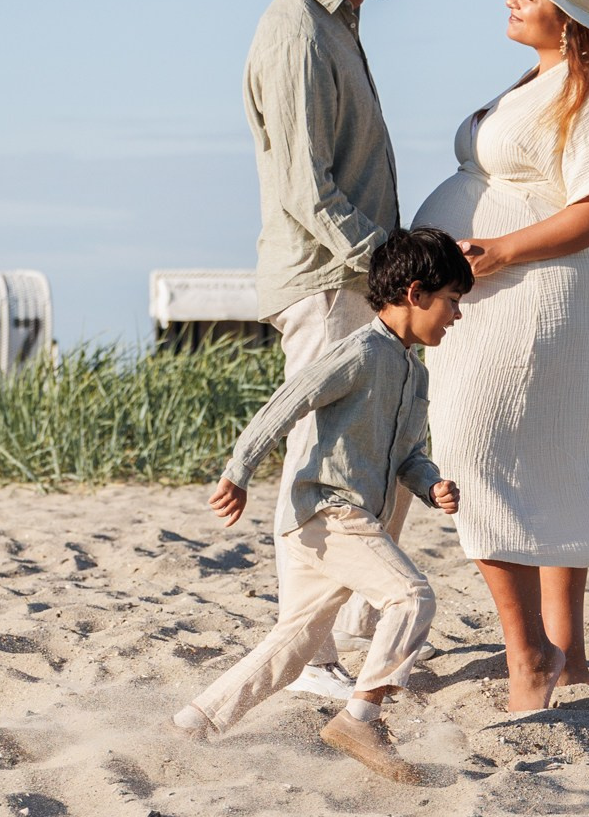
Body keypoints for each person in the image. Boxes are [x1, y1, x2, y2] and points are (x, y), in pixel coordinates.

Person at [413, 0, 589, 714]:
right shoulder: (544, 80)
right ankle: (572, 661)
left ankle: (531, 659)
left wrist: (498, 252)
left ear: (569, 17)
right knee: (547, 462)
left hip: (530, 295)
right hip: (496, 293)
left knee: (471, 452)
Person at [171, 229, 473, 783]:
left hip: (335, 524)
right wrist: (238, 472)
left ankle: (194, 723)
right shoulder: (359, 351)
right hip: (330, 511)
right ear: (415, 292)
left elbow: (409, 453)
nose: (457, 315)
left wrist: (431, 485)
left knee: (294, 645)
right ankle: (361, 717)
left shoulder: (414, 372)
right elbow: (287, 402)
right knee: (410, 597)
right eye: (453, 300)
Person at [242, 0, 413, 705]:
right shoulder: (297, 32)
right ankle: (307, 655)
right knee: (316, 466)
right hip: (328, 282)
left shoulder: (333, 27)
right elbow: (307, 192)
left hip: (348, 281)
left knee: (354, 463)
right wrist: (395, 267)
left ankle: (328, 644)